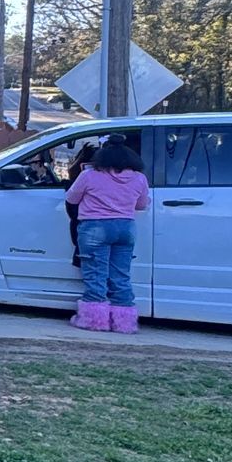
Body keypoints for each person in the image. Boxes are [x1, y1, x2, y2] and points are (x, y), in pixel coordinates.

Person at [65, 132, 149, 332]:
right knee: (121, 275)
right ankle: (124, 323)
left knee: (95, 274)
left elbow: (71, 198)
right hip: (126, 228)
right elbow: (142, 205)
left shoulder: (89, 175)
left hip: (95, 227)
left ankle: (94, 320)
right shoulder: (139, 178)